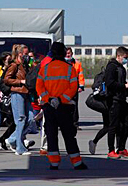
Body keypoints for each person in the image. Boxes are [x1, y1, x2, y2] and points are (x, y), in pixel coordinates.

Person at [36, 42, 86, 170]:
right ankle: (76, 162)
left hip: (49, 106)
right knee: (69, 135)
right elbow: (73, 87)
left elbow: (39, 87)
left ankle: (54, 163)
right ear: (64, 53)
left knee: (51, 134)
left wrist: (49, 98)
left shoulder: (45, 68)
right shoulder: (70, 68)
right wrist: (61, 99)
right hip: (64, 106)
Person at [104, 46, 128, 159]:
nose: (126, 60)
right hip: (114, 100)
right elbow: (110, 83)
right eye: (125, 57)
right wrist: (124, 86)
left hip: (122, 99)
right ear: (119, 56)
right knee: (113, 125)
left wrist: (127, 87)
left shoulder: (121, 67)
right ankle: (111, 150)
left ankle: (121, 148)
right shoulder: (112, 67)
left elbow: (120, 82)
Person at [4, 44, 35, 155]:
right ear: (20, 54)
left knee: (31, 119)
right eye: (25, 54)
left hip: (26, 93)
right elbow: (7, 79)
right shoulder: (14, 65)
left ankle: (12, 139)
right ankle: (20, 148)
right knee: (20, 119)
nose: (27, 56)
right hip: (17, 93)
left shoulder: (25, 65)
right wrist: (20, 82)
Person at [65, 47, 85, 129]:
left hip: (74, 87)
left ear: (72, 54)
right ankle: (63, 123)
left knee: (74, 106)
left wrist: (81, 86)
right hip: (64, 88)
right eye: (66, 53)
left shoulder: (77, 64)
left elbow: (80, 76)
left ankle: (75, 123)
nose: (68, 55)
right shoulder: (61, 63)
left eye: (69, 53)